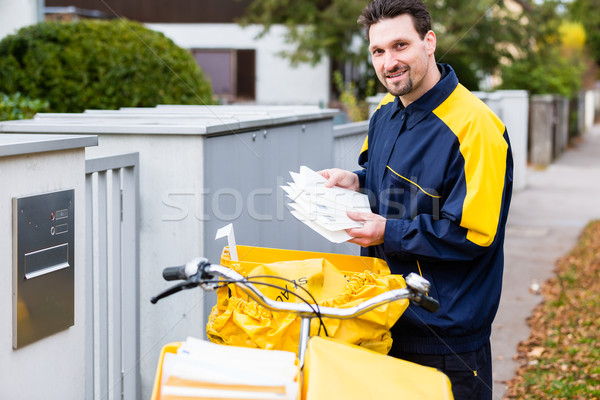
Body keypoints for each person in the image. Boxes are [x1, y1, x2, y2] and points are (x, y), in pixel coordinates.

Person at [319, 0, 513, 398]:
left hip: (444, 338)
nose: (389, 62)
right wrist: (356, 181)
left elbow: (475, 235)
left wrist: (386, 232)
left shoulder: (477, 128)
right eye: (378, 51)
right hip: (381, 320)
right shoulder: (385, 113)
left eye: (400, 45)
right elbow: (385, 182)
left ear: (429, 42)